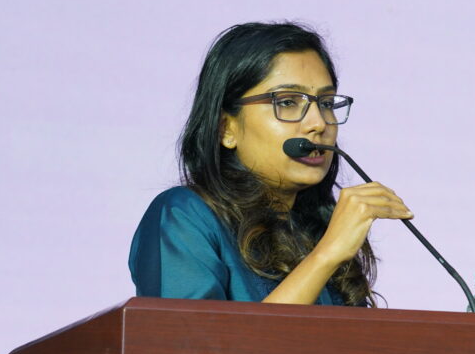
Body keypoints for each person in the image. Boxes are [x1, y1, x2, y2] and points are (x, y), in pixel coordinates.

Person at [130, 22, 412, 304]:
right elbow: (193, 334)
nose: (318, 123)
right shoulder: (184, 216)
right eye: (287, 102)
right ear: (225, 129)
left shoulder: (318, 229)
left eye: (326, 103)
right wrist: (326, 255)